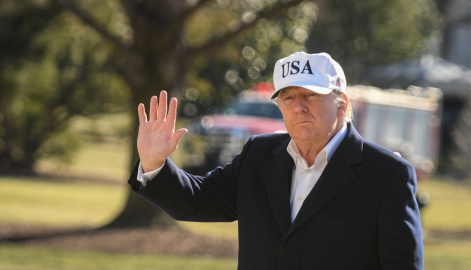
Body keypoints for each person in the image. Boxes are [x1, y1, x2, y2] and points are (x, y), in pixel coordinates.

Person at [128, 52, 424, 269]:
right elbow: (196, 201)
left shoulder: (388, 175)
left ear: (341, 103)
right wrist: (154, 165)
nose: (299, 107)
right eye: (288, 98)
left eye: (311, 95)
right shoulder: (259, 155)